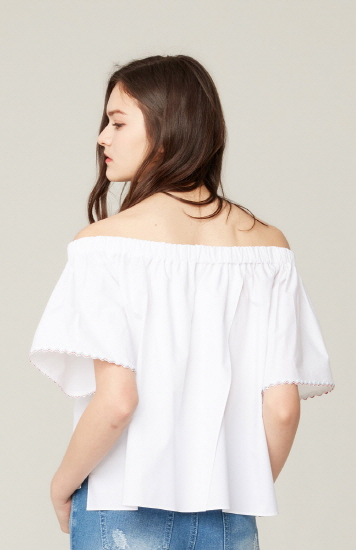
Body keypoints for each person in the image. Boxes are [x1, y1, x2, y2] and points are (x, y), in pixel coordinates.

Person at [28, 55, 335, 550]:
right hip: (227, 514)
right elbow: (282, 411)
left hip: (117, 508)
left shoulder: (105, 246)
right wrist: (240, 492)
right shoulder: (269, 250)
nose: (102, 137)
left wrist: (61, 487)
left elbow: (117, 402)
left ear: (167, 127)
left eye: (118, 122)